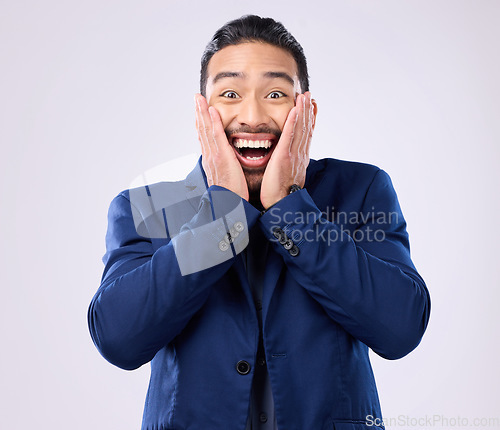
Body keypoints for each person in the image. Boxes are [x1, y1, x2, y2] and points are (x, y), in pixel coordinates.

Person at [88, 15, 430, 430]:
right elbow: (120, 340)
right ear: (202, 111)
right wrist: (223, 209)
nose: (252, 116)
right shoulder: (145, 206)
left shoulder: (361, 189)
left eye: (274, 93)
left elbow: (400, 329)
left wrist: (289, 204)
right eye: (230, 93)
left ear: (307, 110)